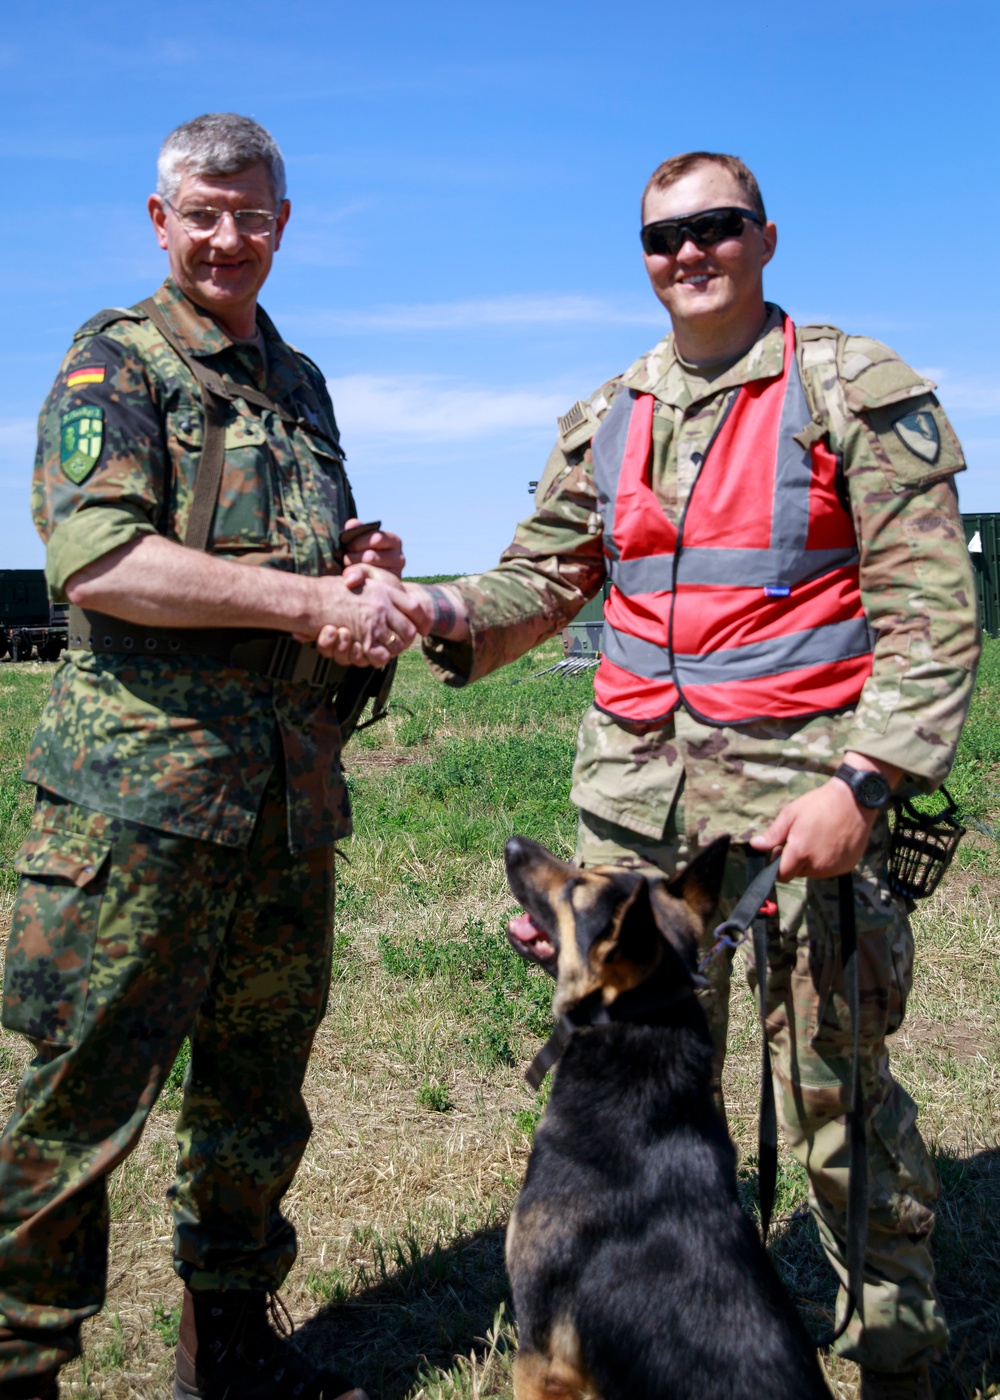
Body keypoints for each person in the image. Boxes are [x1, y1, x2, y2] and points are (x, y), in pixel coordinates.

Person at [392, 153, 980, 1399]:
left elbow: (933, 616)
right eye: (663, 237)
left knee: (839, 1111)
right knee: (630, 1120)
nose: (688, 253)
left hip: (797, 828)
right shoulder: (611, 413)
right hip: (638, 839)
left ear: (765, 237)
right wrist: (422, 604)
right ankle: (632, 1351)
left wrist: (862, 781)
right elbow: (540, 579)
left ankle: (894, 1360)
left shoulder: (848, 390)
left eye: (714, 227)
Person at [0, 113, 420, 1400]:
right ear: (161, 218)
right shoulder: (114, 365)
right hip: (139, 807)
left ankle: (228, 1349)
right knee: (74, 1109)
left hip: (286, 808)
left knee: (256, 1101)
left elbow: (295, 560)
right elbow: (101, 558)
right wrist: (306, 604)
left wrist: (360, 572)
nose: (230, 238)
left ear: (282, 226)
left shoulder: (299, 383)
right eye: (206, 213)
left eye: (254, 217)